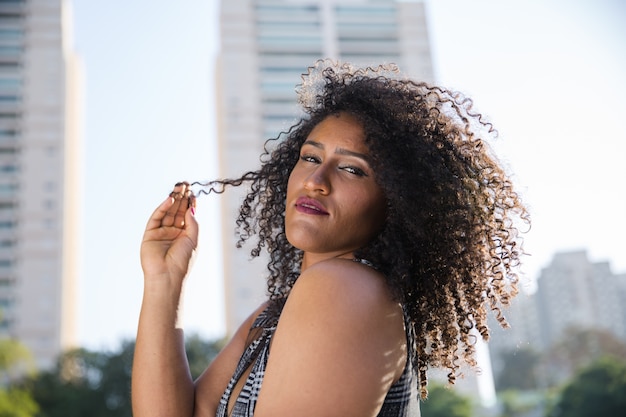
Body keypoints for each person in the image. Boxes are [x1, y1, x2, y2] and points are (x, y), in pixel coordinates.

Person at [132, 60, 529, 417]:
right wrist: (164, 281)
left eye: (353, 170)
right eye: (310, 157)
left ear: (396, 203)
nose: (316, 182)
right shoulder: (272, 316)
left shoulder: (345, 289)